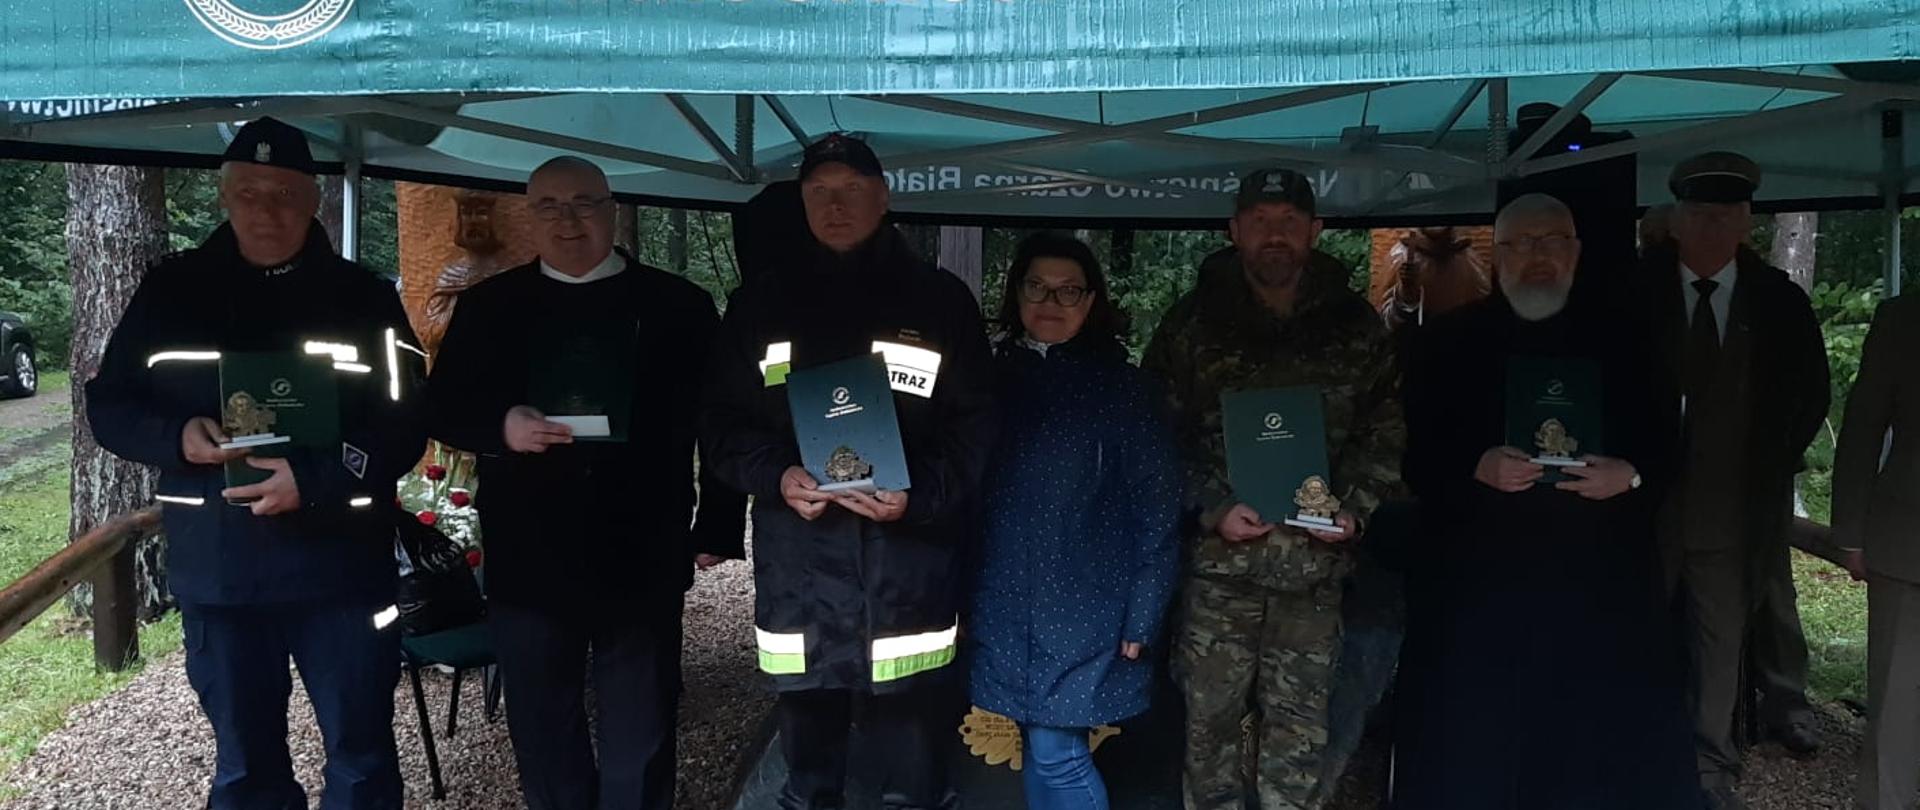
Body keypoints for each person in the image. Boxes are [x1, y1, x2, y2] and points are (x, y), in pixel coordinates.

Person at [86, 117, 426, 810]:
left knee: (362, 761)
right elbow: (109, 405)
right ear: (224, 196)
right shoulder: (170, 292)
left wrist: (319, 477)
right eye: (248, 192)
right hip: (221, 569)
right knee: (245, 771)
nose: (266, 209)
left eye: (284, 193)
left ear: (314, 200)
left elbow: (410, 419)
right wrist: (177, 436)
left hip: (342, 568)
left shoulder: (365, 298)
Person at [425, 156, 746, 810]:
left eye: (584, 203)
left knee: (643, 728)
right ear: (530, 215)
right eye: (549, 205)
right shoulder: (490, 307)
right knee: (544, 728)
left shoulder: (677, 306)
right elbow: (441, 407)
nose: (567, 220)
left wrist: (718, 522)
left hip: (641, 547)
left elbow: (721, 420)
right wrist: (501, 425)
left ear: (611, 211)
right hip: (529, 553)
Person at [701, 133, 995, 810]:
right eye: (819, 192)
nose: (835, 205)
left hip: (905, 578)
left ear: (884, 197)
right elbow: (719, 424)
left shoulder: (939, 303)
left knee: (911, 784)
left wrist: (917, 494)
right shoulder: (761, 305)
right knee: (808, 785)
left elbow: (976, 428)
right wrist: (777, 475)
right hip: (800, 577)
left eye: (852, 190)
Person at [1393, 193, 1699, 809]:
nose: (1539, 256)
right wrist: (1473, 466)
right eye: (1523, 243)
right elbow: (1411, 455)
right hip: (1479, 590)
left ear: (1576, 252)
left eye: (1554, 241)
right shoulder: (1446, 343)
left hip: (1600, 589)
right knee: (1475, 755)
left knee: (1597, 757)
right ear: (1498, 254)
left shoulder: (1629, 339)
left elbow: (1669, 444)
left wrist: (1631, 476)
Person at [1141, 167, 1403, 810]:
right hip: (1220, 575)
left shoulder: (1354, 326)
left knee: (1300, 740)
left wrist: (1354, 511)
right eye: (1260, 221)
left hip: (1315, 572)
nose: (1275, 235)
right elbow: (1154, 436)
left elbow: (1385, 431)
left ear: (1315, 230)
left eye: (1289, 221)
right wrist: (1212, 506)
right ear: (1235, 230)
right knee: (1208, 735)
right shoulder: (1192, 325)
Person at [1640, 152, 1830, 810]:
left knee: (1720, 646)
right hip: (1642, 509)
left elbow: (1810, 397)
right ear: (1676, 220)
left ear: (1748, 221)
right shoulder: (1632, 294)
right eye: (1699, 214)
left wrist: (1765, 466)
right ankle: (1633, 753)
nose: (1712, 227)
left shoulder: (1778, 302)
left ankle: (1711, 768)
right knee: (1634, 633)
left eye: (1726, 214)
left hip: (1731, 510)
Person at [968, 232, 1180, 810]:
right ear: (1016, 293)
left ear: (1090, 302)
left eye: (1068, 291)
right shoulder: (988, 380)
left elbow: (1159, 506)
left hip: (1091, 606)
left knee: (1057, 750)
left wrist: (1144, 612)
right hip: (1003, 599)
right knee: (1038, 744)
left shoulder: (1126, 390)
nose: (1050, 302)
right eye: (1037, 287)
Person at [1831, 292, 1920, 810]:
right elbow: (1863, 423)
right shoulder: (1904, 318)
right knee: (1895, 707)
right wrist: (1850, 532)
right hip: (1906, 538)